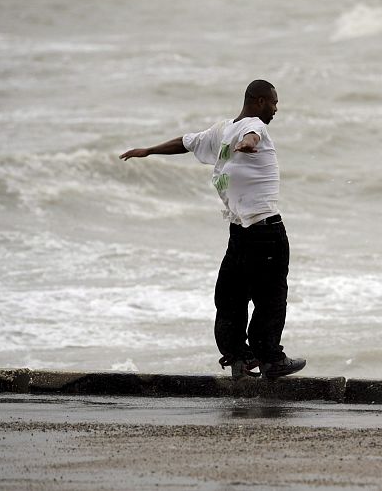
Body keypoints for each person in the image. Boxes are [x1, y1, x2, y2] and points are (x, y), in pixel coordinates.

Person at [119, 80, 305, 380]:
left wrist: (247, 145)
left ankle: (266, 359)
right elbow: (191, 141)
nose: (276, 109)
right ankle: (243, 359)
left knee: (256, 296)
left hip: (258, 230)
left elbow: (248, 138)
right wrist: (150, 150)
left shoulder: (235, 131)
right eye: (273, 102)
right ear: (258, 101)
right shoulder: (239, 128)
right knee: (236, 296)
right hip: (254, 233)